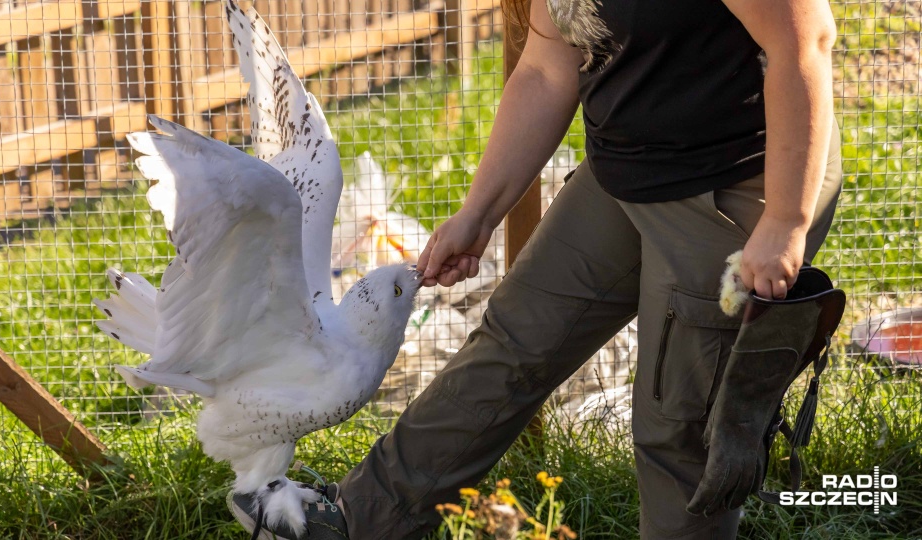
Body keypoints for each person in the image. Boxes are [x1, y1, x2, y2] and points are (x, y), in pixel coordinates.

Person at [230, 0, 842, 537]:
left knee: (676, 429)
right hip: (625, 173)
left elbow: (802, 41)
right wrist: (479, 213)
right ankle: (360, 522)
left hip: (737, 185)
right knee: (515, 339)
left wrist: (786, 220)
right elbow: (547, 67)